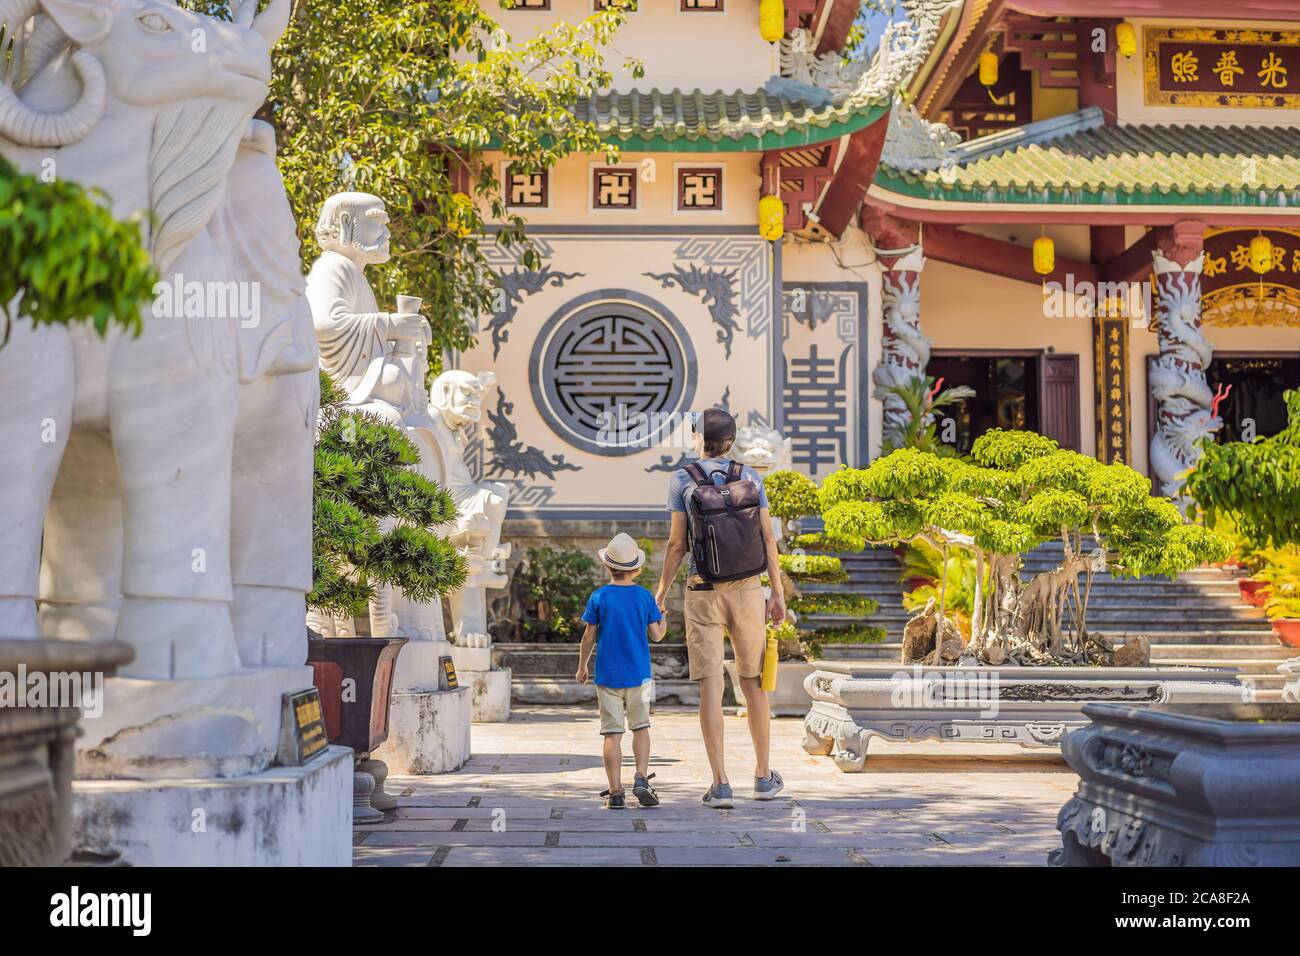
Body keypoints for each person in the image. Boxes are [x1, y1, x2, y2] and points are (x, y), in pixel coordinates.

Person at [653, 408, 786, 809]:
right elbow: (767, 538)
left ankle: (721, 784)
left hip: (703, 589)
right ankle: (763, 777)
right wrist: (776, 592)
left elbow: (677, 545)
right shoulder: (751, 477)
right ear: (731, 442)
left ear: (698, 438)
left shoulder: (682, 480)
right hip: (748, 589)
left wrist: (659, 594)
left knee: (711, 683)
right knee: (753, 682)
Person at [576, 533, 668, 809]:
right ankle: (641, 777)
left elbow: (588, 637)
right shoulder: (644, 597)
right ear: (636, 568)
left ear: (608, 566)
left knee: (612, 734)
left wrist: (582, 666)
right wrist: (663, 618)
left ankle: (616, 792)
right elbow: (657, 635)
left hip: (607, 676)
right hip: (639, 675)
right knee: (641, 728)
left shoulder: (599, 597)